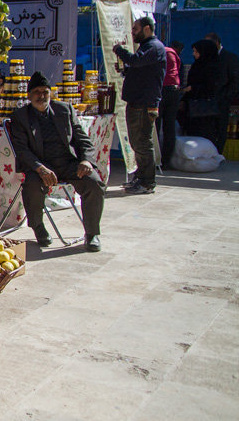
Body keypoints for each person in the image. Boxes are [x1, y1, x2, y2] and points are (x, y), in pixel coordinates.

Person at [9, 72, 104, 252]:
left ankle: (92, 234)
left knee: (93, 182)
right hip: (40, 166)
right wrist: (40, 168)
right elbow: (21, 150)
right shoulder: (21, 116)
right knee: (32, 186)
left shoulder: (64, 110)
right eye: (37, 92)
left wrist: (86, 160)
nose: (41, 96)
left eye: (45, 91)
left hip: (68, 163)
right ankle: (38, 227)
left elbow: (83, 140)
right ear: (29, 95)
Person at [113, 16, 166, 195]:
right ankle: (141, 176)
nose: (133, 33)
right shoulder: (147, 47)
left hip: (144, 103)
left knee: (142, 143)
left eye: (135, 29)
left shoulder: (154, 47)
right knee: (137, 142)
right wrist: (126, 71)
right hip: (137, 101)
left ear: (147, 29)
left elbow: (136, 61)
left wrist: (119, 50)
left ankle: (147, 181)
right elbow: (139, 68)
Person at [183, 39, 228, 149]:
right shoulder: (197, 65)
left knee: (205, 135)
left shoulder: (213, 67)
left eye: (196, 52)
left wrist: (193, 88)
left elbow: (212, 86)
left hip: (205, 109)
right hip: (194, 107)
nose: (194, 54)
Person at [204, 32, 238, 152]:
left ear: (217, 43)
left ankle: (218, 152)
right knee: (210, 127)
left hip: (222, 99)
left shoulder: (230, 57)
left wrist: (227, 96)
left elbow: (235, 79)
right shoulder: (208, 58)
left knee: (221, 126)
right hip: (209, 99)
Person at [159, 40, 182, 168]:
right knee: (169, 126)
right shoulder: (172, 52)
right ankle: (166, 161)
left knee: (155, 126)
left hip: (161, 90)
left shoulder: (157, 52)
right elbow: (177, 69)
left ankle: (156, 160)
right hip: (174, 90)